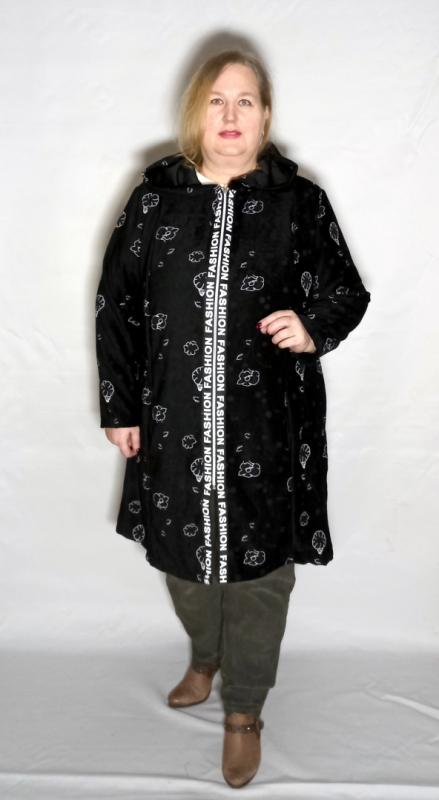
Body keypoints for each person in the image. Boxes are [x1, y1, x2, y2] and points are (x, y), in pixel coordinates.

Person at [95, 48, 371, 788]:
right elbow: (116, 306)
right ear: (197, 111)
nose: (229, 114)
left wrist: (311, 327)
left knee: (260, 574)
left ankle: (244, 709)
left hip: (267, 422)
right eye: (216, 100)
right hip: (171, 416)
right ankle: (206, 656)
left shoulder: (299, 203)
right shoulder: (155, 200)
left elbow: (346, 291)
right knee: (182, 563)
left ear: (265, 116)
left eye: (245, 101)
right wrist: (120, 407)